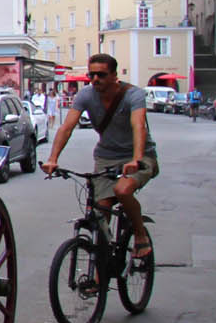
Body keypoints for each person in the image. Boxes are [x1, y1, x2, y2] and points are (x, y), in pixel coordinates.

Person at [43, 52, 157, 267]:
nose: (95, 79)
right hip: (106, 157)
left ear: (114, 75)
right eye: (91, 75)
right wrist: (52, 159)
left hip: (139, 156)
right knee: (99, 214)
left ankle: (140, 234)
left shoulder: (134, 95)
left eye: (101, 75)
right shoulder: (85, 95)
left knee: (122, 191)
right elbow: (67, 127)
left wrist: (136, 159)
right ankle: (100, 274)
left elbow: (138, 126)